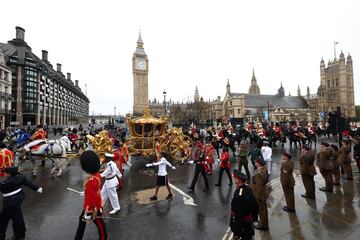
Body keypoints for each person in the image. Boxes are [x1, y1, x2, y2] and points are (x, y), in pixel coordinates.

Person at [0, 166, 43, 240]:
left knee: (14, 219)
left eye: (6, 173)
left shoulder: (5, 183)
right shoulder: (21, 177)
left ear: (9, 174)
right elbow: (29, 184)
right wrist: (38, 189)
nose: (5, 174)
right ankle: (20, 234)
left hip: (10, 202)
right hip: (19, 198)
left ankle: (18, 236)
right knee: (12, 217)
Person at [74, 150, 107, 240]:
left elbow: (91, 200)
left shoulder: (91, 180)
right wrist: (86, 192)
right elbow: (94, 192)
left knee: (99, 223)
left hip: (92, 208)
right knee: (82, 220)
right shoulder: (97, 175)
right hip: (95, 204)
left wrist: (88, 212)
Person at [230, 169, 258, 240]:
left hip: (243, 226)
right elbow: (255, 205)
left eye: (235, 177)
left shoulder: (240, 196)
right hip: (248, 223)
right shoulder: (248, 189)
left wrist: (237, 232)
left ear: (239, 180)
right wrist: (254, 218)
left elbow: (239, 215)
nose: (233, 177)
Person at [252, 158, 269, 231]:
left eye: (255, 162)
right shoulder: (264, 170)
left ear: (258, 163)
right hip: (264, 192)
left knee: (261, 210)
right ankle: (265, 223)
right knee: (264, 209)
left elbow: (259, 186)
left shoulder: (258, 173)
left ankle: (263, 225)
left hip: (260, 193)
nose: (255, 163)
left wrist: (258, 196)